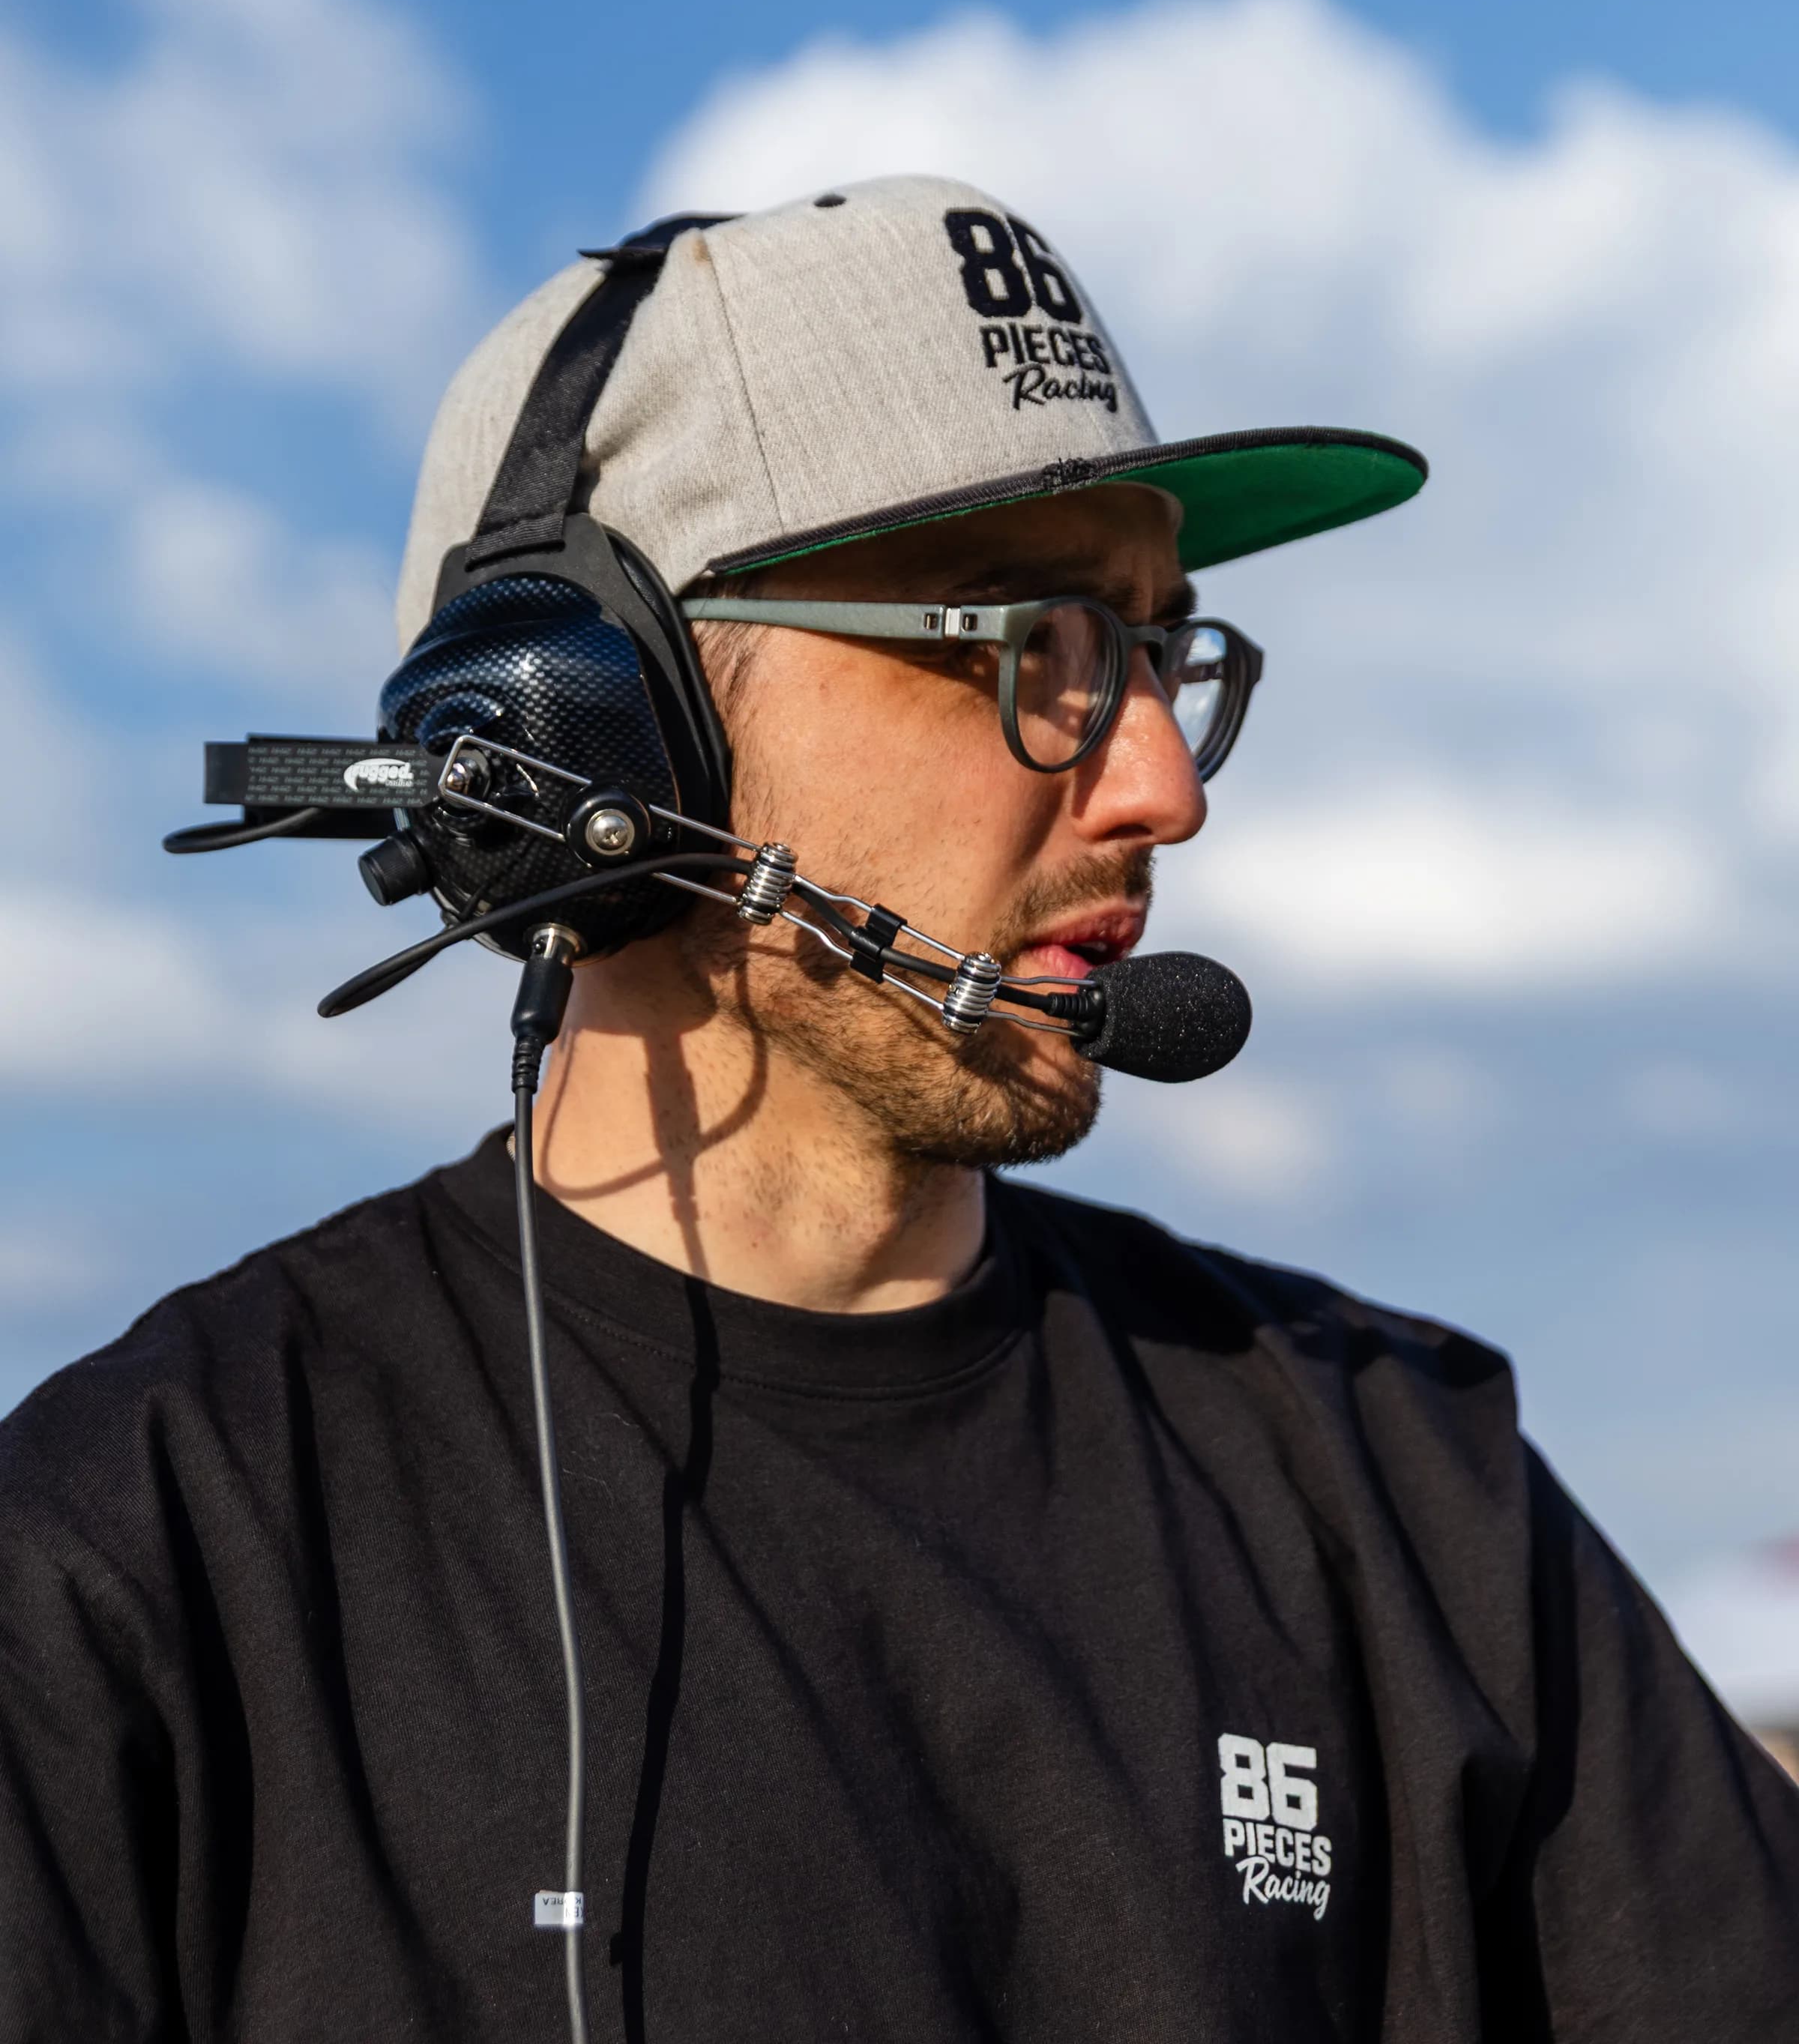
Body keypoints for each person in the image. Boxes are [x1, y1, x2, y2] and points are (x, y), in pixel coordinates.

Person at [1, 177, 1794, 2043]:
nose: (1164, 788)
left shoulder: (1411, 1486)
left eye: (1161, 651)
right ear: (589, 737)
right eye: (1038, 650)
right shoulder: (145, 1559)